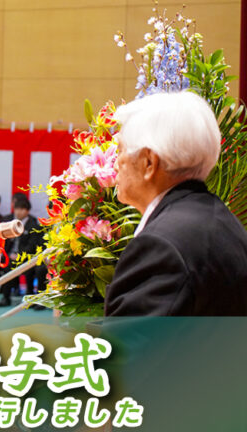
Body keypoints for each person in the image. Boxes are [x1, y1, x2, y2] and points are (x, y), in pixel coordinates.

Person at [106, 91, 247, 316]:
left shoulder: (160, 245)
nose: (115, 163)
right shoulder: (226, 224)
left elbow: (130, 338)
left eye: (121, 150)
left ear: (149, 163)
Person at [0, 197, 44, 306]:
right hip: (10, 255)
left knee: (28, 268)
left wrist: (19, 255)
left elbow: (32, 246)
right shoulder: (10, 224)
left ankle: (30, 296)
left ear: (27, 211)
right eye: (16, 209)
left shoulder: (33, 226)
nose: (18, 212)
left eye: (21, 209)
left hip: (27, 258)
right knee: (4, 263)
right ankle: (5, 296)